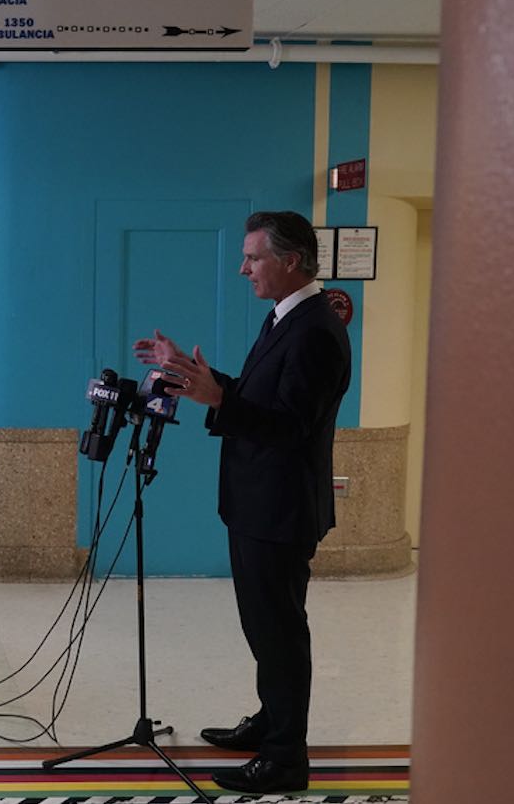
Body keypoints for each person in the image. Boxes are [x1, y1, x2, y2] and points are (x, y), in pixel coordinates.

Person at [133, 210, 351, 795]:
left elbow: (291, 427)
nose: (243, 267)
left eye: (253, 257)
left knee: (279, 632)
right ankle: (271, 721)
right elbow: (259, 397)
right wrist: (192, 375)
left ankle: (284, 758)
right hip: (259, 503)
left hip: (279, 510)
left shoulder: (315, 331)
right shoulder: (287, 318)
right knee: (265, 628)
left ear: (291, 261)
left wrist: (217, 400)